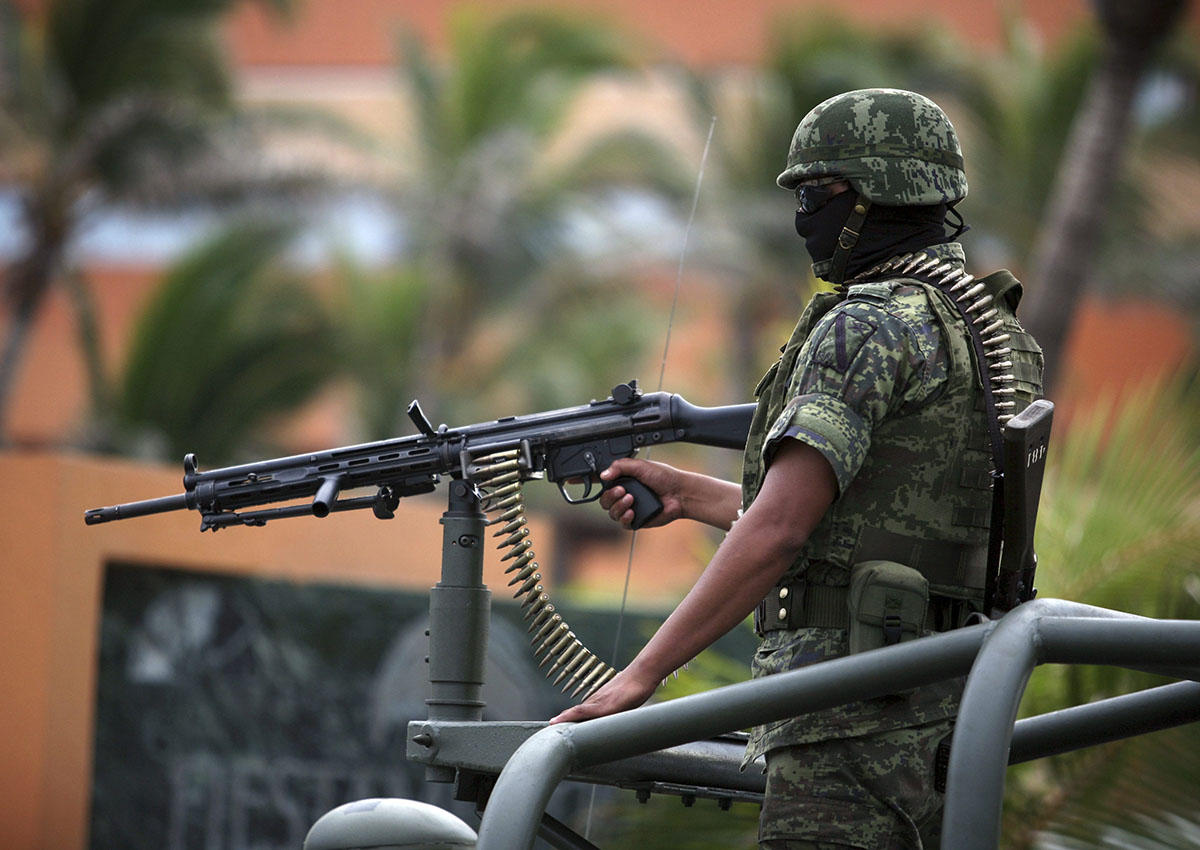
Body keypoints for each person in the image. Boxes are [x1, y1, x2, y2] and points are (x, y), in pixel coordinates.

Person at [550, 89, 1044, 849]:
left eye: (815, 194)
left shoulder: (866, 322)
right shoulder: (997, 334)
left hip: (844, 713)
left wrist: (638, 678)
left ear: (873, 194)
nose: (803, 216)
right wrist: (689, 493)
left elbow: (781, 532)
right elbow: (888, 521)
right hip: (949, 709)